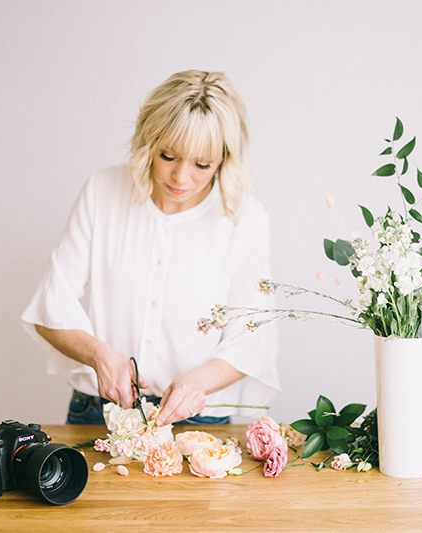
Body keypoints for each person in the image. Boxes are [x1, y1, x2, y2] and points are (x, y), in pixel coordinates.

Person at [21, 70, 280, 427]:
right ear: (148, 140)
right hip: (100, 411)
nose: (181, 178)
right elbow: (50, 310)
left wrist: (198, 382)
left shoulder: (245, 220)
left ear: (224, 159)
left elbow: (251, 341)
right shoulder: (103, 192)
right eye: (168, 156)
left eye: (202, 164)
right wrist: (100, 355)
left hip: (198, 417)